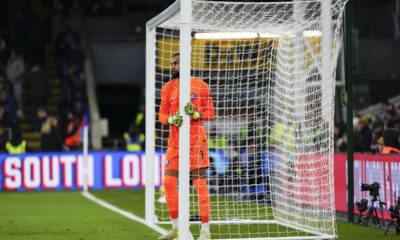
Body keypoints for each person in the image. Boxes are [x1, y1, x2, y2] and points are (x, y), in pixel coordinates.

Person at [157, 53, 215, 240]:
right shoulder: (167, 88)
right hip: (175, 143)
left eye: (176, 63)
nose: (172, 66)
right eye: (171, 63)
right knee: (167, 183)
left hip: (196, 141)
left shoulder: (201, 85)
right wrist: (171, 119)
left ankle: (205, 231)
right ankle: (177, 228)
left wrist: (197, 114)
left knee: (200, 184)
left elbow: (211, 113)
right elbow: (162, 115)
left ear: (186, 64)